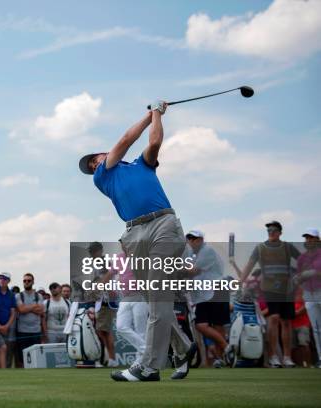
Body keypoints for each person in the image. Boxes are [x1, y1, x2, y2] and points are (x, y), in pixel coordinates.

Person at [79, 102, 194, 381]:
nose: (96, 162)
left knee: (158, 295)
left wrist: (157, 114)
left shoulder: (142, 165)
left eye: (96, 158)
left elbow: (154, 140)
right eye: (93, 163)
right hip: (134, 234)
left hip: (163, 224)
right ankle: (182, 347)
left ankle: (149, 366)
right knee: (154, 300)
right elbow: (125, 140)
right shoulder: (103, 176)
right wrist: (150, 112)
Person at [230, 221, 300, 368]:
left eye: (274, 230)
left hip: (287, 289)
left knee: (286, 322)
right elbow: (248, 266)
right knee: (274, 318)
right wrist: (240, 282)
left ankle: (287, 357)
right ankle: (273, 356)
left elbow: (302, 262)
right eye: (269, 230)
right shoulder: (260, 248)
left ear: (280, 232)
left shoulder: (287, 247)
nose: (271, 233)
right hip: (270, 289)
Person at [182, 230, 229, 366]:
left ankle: (221, 359)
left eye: (194, 238)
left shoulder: (207, 250)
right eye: (189, 238)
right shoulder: (191, 253)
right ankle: (227, 348)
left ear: (201, 239)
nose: (191, 241)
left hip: (217, 289)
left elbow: (192, 271)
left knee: (217, 325)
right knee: (201, 325)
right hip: (204, 293)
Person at [87, 242, 119, 367]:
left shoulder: (103, 261)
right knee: (102, 330)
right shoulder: (97, 263)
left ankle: (110, 359)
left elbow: (107, 279)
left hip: (105, 300)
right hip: (101, 300)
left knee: (103, 330)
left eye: (93, 251)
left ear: (99, 250)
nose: (91, 253)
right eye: (90, 251)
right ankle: (110, 358)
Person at [114, 250, 148, 365]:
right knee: (121, 326)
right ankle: (147, 351)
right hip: (126, 297)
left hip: (140, 295)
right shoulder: (119, 257)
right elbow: (111, 272)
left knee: (141, 330)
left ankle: (140, 361)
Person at [294, 228, 321, 368]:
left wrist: (311, 273)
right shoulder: (302, 258)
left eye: (312, 238)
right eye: (307, 238)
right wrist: (297, 279)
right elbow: (300, 276)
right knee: (316, 329)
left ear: (318, 239)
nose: (309, 240)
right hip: (309, 294)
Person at [15, 273, 45, 367]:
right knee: (22, 358)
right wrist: (34, 306)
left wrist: (26, 308)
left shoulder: (39, 296)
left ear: (33, 282)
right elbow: (21, 310)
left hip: (36, 331)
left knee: (36, 357)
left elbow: (41, 311)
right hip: (22, 331)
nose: (26, 282)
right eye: (25, 281)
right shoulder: (19, 296)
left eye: (29, 280)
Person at [0, 272, 17, 368]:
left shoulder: (11, 295)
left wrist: (6, 326)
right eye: (0, 278)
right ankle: (4, 372)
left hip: (6, 328)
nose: (2, 280)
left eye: (4, 279)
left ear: (8, 281)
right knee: (2, 348)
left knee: (3, 350)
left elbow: (13, 313)